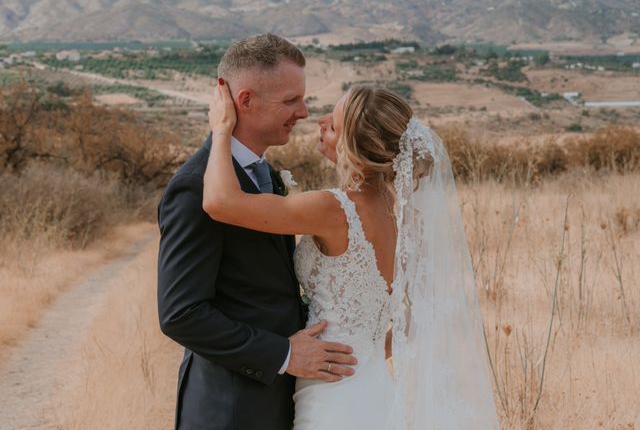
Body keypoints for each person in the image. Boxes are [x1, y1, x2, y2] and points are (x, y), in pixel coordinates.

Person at [204, 81, 502, 429]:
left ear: (355, 150)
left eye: (332, 125)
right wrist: (368, 347)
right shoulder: (411, 220)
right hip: (375, 385)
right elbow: (424, 313)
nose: (319, 121)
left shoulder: (334, 210)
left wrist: (221, 130)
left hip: (333, 396)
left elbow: (219, 202)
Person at [157, 33, 356, 430]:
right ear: (245, 101)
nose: (303, 112)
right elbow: (181, 313)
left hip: (282, 398)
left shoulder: (263, 173)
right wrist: (283, 354)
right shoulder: (195, 187)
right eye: (290, 100)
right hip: (231, 407)